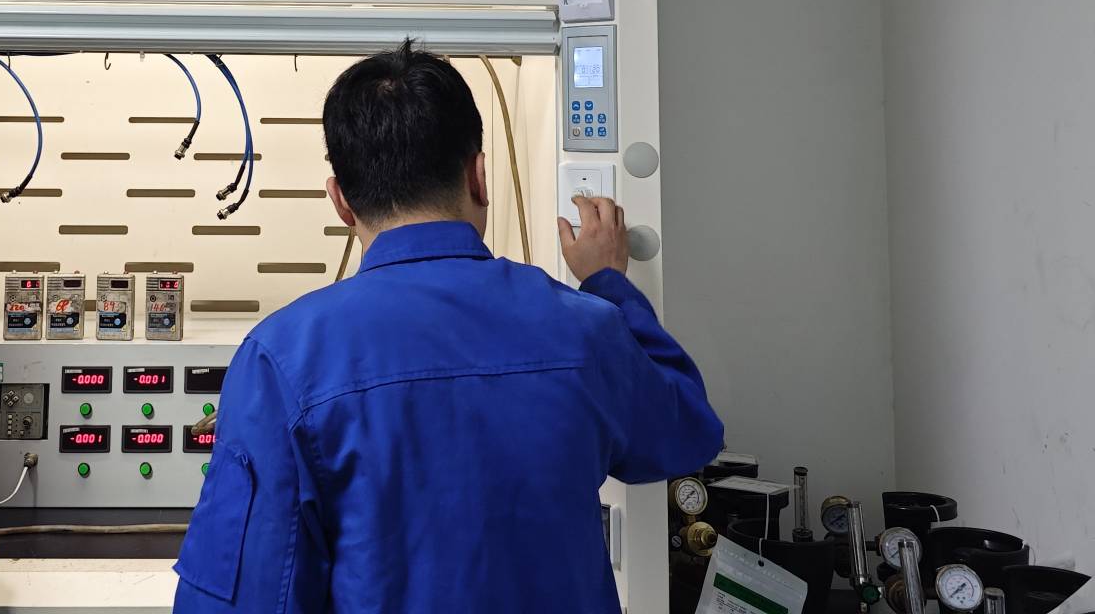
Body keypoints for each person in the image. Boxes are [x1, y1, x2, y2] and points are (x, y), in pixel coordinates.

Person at [172, 41, 722, 614]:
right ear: (480, 177)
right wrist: (609, 283)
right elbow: (689, 433)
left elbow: (246, 596)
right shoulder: (585, 329)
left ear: (340, 201)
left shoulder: (280, 358)